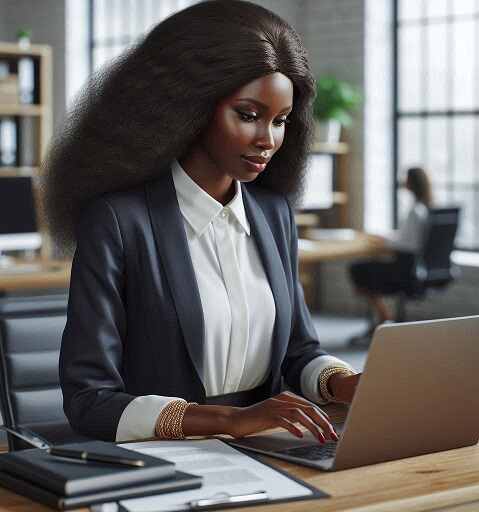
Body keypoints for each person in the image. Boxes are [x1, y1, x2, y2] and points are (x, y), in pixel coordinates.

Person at [44, 0, 361, 445]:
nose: (267, 140)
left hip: (274, 451)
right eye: (248, 115)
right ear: (190, 106)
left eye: (281, 120)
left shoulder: (273, 215)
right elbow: (88, 400)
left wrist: (346, 384)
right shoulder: (119, 221)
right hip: (168, 463)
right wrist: (228, 421)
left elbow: (298, 351)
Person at [349, 167, 433, 330]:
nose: (403, 181)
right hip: (413, 268)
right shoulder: (423, 209)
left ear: (412, 183)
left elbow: (408, 244)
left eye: (406, 178)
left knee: (357, 269)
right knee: (366, 268)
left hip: (404, 269)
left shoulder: (415, 212)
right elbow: (407, 236)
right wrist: (386, 238)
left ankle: (383, 316)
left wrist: (383, 243)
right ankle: (383, 316)